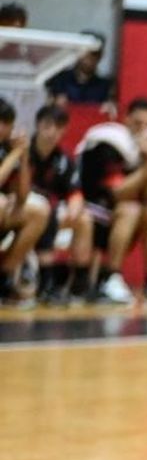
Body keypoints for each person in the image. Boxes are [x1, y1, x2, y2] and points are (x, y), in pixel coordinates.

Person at [75, 98, 147, 305]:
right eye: (138, 123)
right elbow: (117, 193)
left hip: (117, 214)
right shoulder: (109, 142)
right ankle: (110, 278)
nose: (144, 130)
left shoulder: (143, 147)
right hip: (91, 208)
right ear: (126, 119)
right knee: (131, 209)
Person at [26, 105, 90, 305]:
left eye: (58, 127)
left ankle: (80, 284)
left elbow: (75, 192)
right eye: (47, 126)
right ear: (37, 126)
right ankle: (46, 281)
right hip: (26, 212)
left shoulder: (64, 160)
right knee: (45, 210)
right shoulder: (24, 152)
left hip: (51, 215)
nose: (52, 132)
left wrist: (75, 206)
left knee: (84, 219)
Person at [0, 98, 48, 305]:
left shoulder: (6, 149)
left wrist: (24, 157)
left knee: (38, 212)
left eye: (8, 124)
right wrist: (15, 154)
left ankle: (4, 278)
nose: (6, 129)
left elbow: (23, 196)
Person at [45, 31, 117, 114]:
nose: (89, 57)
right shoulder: (59, 79)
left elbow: (111, 109)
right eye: (86, 51)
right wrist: (53, 103)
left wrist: (109, 107)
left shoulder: (105, 86)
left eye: (94, 53)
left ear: (101, 55)